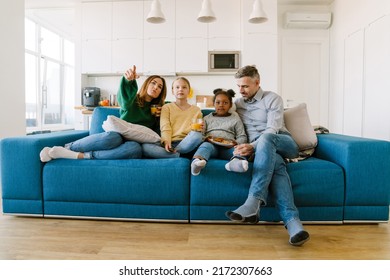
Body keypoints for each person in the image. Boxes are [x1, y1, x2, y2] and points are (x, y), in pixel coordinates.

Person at [225, 65, 310, 246]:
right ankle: (294, 224)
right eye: (239, 86)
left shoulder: (272, 99)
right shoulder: (238, 104)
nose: (241, 90)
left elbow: (273, 128)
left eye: (245, 86)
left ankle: (253, 202)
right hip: (263, 151)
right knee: (277, 164)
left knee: (267, 138)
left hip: (281, 141)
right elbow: (222, 120)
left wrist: (252, 146)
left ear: (257, 83)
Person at [39, 65, 167, 161]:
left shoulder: (160, 108)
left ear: (161, 92)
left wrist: (165, 112)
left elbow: (162, 128)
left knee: (135, 149)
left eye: (160, 86)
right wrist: (128, 81)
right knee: (113, 137)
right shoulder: (133, 100)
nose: (156, 87)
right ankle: (68, 148)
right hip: (120, 135)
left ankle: (81, 156)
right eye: (153, 83)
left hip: (135, 141)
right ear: (146, 84)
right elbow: (125, 101)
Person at [190, 88, 247, 176]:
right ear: (213, 104)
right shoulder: (207, 118)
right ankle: (197, 163)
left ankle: (235, 163)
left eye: (225, 103)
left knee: (240, 150)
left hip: (228, 148)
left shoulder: (235, 118)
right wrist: (205, 139)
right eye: (218, 102)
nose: (221, 105)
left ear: (230, 105)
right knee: (205, 146)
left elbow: (242, 136)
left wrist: (236, 144)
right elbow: (201, 134)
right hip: (212, 147)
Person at [142, 77, 203, 158]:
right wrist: (167, 141)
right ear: (172, 91)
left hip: (187, 142)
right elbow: (165, 127)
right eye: (177, 87)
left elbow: (197, 130)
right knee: (145, 147)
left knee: (197, 135)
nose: (180, 89)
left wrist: (201, 128)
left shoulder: (197, 110)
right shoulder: (166, 107)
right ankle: (178, 154)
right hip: (170, 143)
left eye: (184, 87)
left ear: (189, 91)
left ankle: (174, 154)